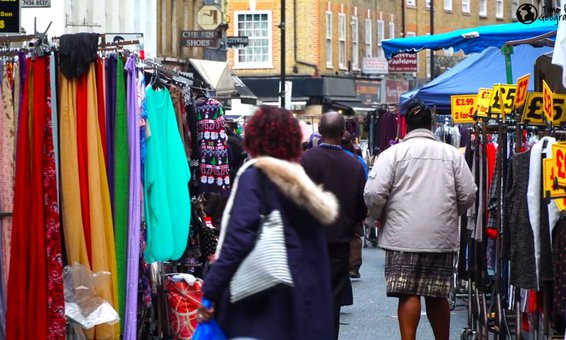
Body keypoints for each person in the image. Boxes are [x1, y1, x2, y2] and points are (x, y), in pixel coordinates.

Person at [197, 106, 338, 340]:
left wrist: (211, 289)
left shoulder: (256, 176)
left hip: (260, 302)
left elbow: (239, 236)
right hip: (302, 307)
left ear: (254, 138)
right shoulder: (304, 185)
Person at [364, 99, 476, 340]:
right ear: (432, 124)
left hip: (401, 236)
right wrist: (451, 213)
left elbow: (373, 193)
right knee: (437, 294)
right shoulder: (452, 155)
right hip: (440, 235)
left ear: (405, 125)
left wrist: (378, 215)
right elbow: (469, 193)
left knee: (408, 292)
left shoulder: (392, 154)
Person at [301, 111, 367, 340]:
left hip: (307, 240)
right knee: (332, 301)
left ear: (320, 131)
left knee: (306, 298)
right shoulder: (355, 166)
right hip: (339, 242)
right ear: (342, 134)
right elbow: (361, 207)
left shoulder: (305, 160)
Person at [341, 131, 368, 279]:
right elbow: (365, 182)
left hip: (332, 204)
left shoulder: (329, 156)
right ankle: (353, 267)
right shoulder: (357, 160)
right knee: (355, 235)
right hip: (352, 202)